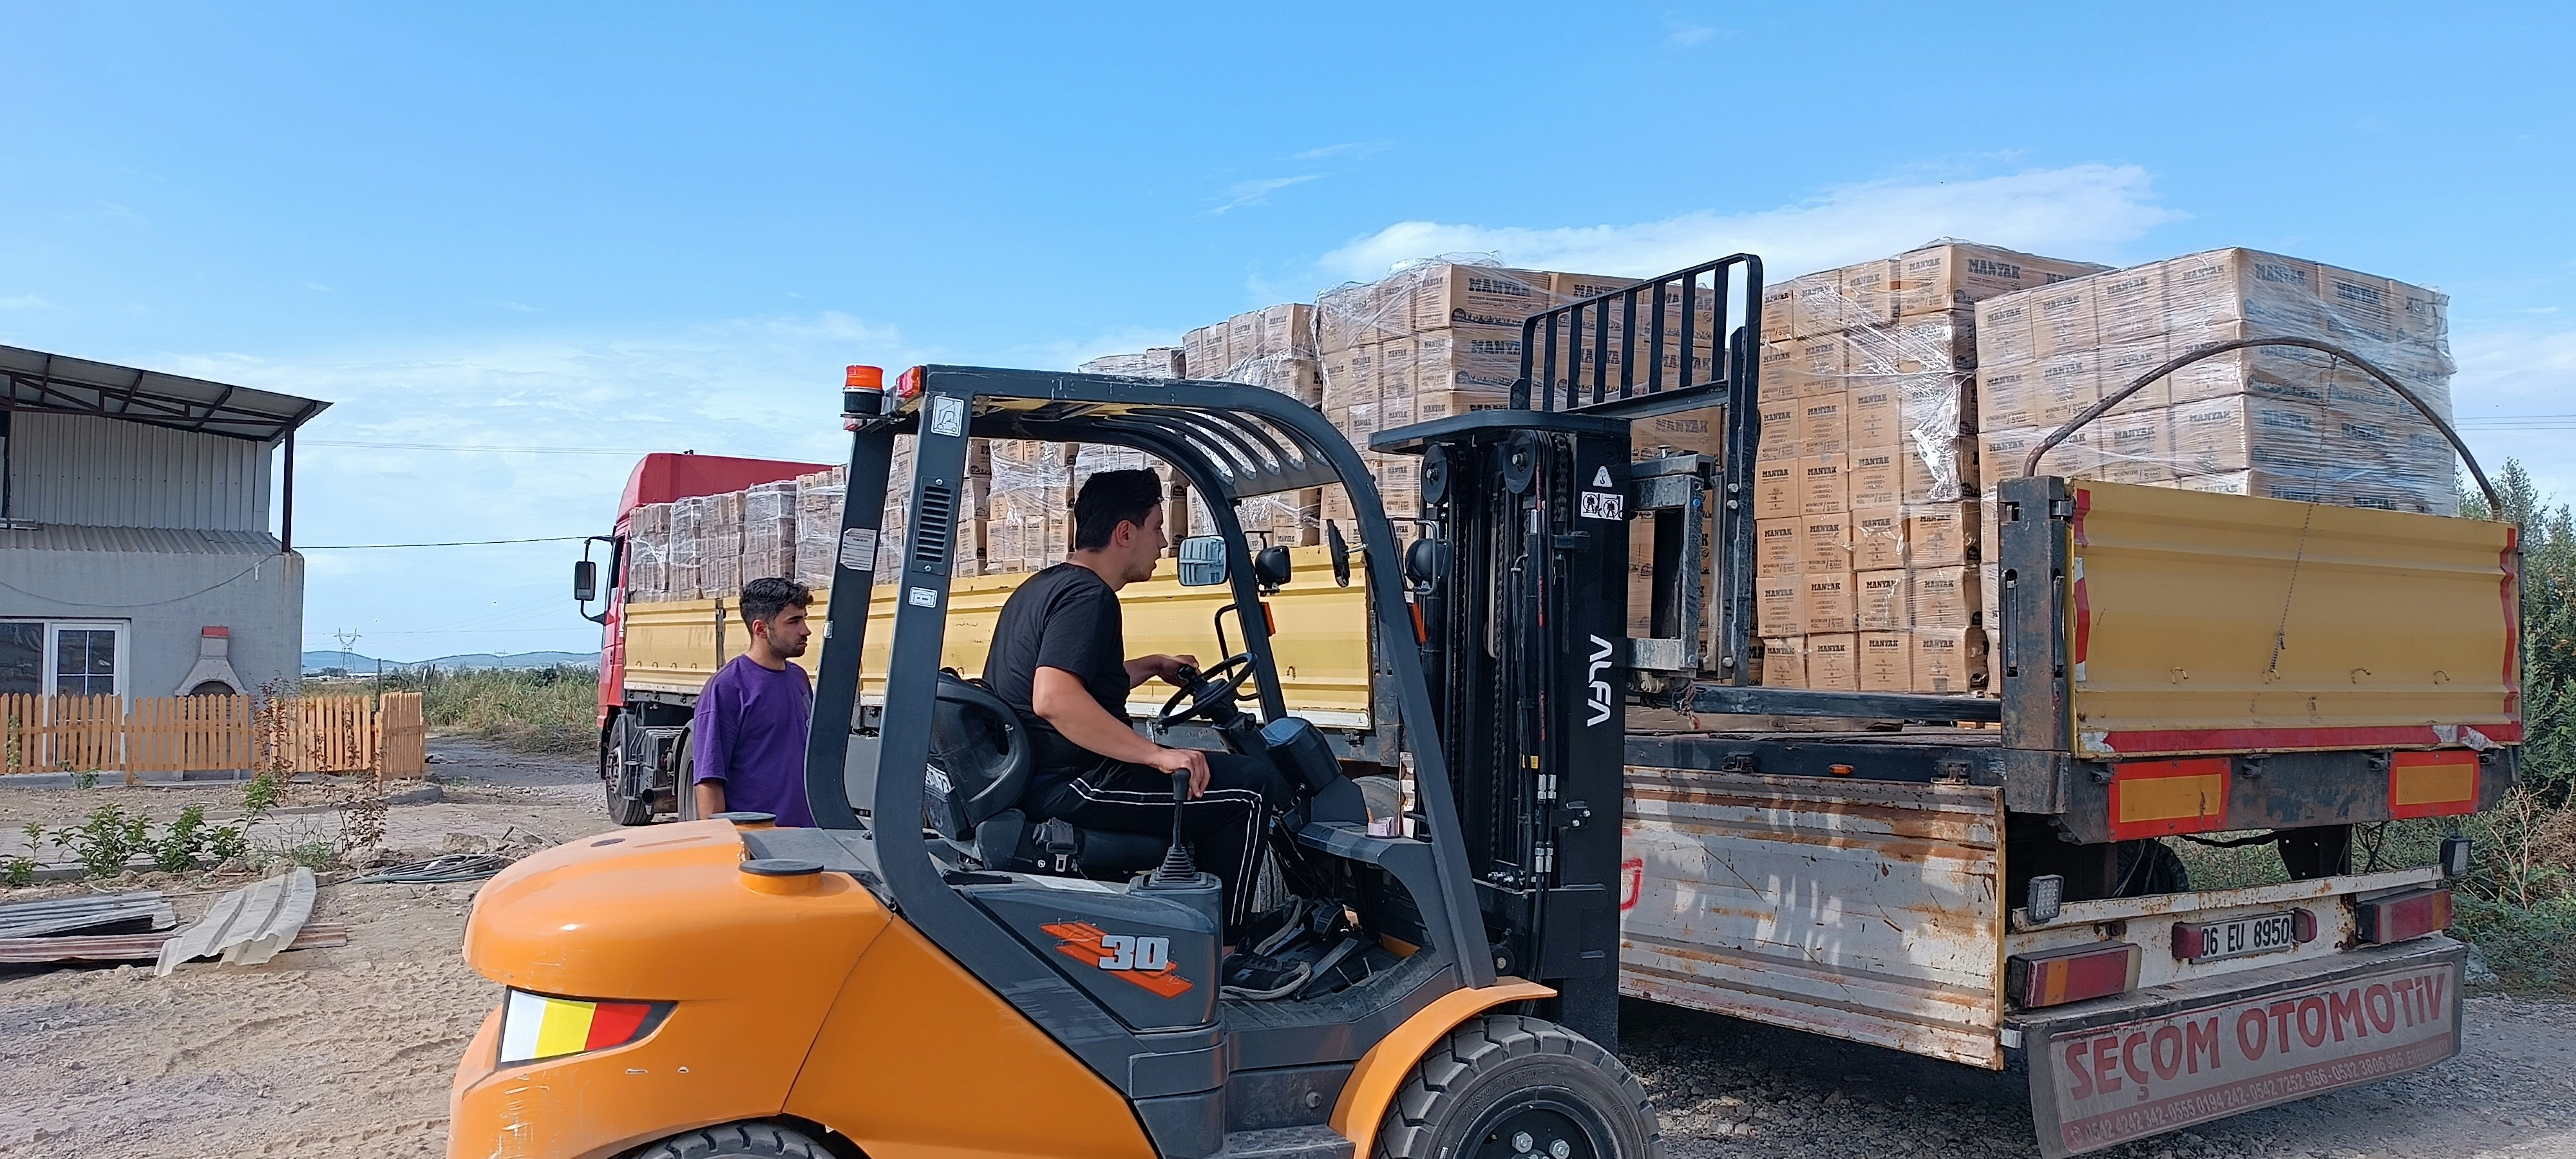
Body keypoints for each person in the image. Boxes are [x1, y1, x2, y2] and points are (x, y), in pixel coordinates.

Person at [982, 467, 1286, 941]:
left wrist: (1151, 665)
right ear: (1125, 533)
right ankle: (1223, 953)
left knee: (1214, 780)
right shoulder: (1090, 598)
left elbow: (1076, 679)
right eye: (1157, 527)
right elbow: (1054, 699)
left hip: (1039, 774)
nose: (1164, 542)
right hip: (1073, 783)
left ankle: (1183, 922)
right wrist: (1158, 755)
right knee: (1249, 787)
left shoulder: (1043, 587)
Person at [690, 577, 816, 825]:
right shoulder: (727, 688)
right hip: (758, 847)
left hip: (806, 840)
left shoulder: (799, 679)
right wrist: (721, 848)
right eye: (793, 621)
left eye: (804, 618)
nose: (806, 630)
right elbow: (709, 779)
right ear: (761, 629)